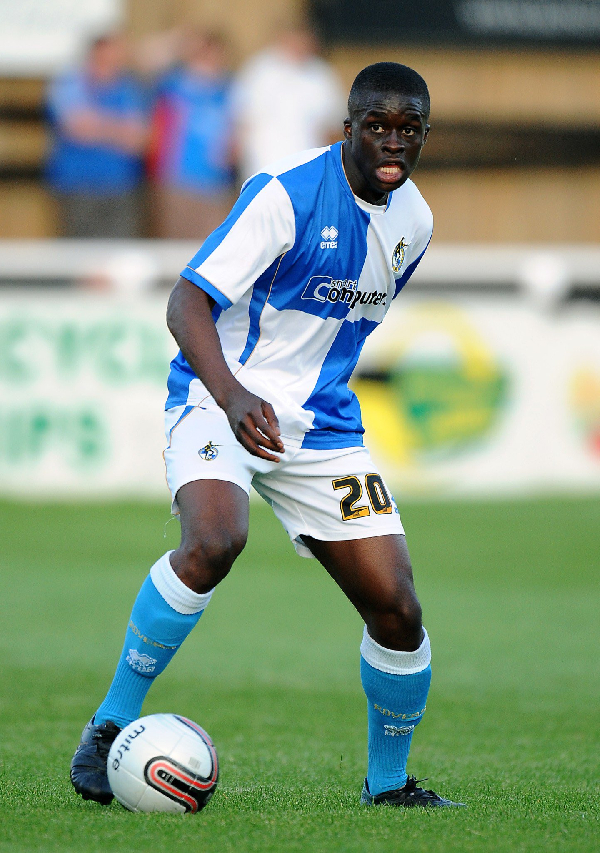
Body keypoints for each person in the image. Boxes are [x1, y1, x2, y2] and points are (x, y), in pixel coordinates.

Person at [70, 62, 464, 809]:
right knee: (215, 540)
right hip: (220, 396)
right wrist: (231, 393)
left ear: (423, 135)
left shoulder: (415, 223)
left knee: (398, 609)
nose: (392, 141)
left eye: (408, 129)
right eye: (376, 126)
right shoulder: (284, 195)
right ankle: (109, 722)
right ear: (347, 129)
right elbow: (186, 303)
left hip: (322, 426)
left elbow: (341, 332)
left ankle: (387, 786)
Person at [45, 33, 147, 238]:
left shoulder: (129, 88)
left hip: (121, 185)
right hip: (78, 185)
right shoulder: (70, 83)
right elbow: (77, 127)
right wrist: (119, 129)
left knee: (120, 250)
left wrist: (98, 125)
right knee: (79, 250)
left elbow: (139, 139)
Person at [147, 30, 236, 240]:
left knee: (212, 246)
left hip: (215, 184)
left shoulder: (228, 90)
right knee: (176, 243)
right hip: (178, 179)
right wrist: (179, 42)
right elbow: (146, 59)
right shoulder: (174, 85)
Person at [231, 19, 345, 181]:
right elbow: (242, 117)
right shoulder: (260, 71)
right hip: (263, 166)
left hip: (307, 170)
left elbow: (332, 126)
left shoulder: (321, 75)